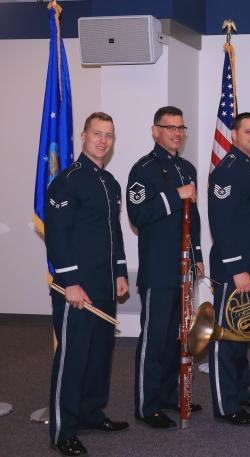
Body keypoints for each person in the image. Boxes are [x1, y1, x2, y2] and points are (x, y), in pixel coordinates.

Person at [45, 112, 129, 456]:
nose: (103, 141)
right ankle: (63, 430)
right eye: (97, 134)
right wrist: (71, 282)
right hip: (77, 287)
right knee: (73, 356)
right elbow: (58, 236)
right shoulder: (67, 180)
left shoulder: (109, 181)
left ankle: (91, 413)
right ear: (83, 136)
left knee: (99, 355)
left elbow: (114, 232)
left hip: (105, 284)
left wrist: (121, 272)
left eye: (109, 135)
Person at [127, 106, 203, 429]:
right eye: (169, 127)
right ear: (155, 130)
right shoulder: (142, 169)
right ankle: (146, 405)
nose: (176, 133)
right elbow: (138, 215)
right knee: (154, 338)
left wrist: (198, 254)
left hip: (184, 267)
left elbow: (194, 217)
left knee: (178, 336)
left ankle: (170, 394)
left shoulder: (187, 168)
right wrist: (175, 195)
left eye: (180, 127)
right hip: (158, 269)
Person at [207, 112, 250, 426]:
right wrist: (236, 269)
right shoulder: (228, 171)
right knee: (225, 337)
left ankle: (241, 392)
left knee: (243, 333)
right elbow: (222, 224)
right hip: (235, 270)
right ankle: (225, 403)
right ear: (234, 135)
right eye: (249, 132)